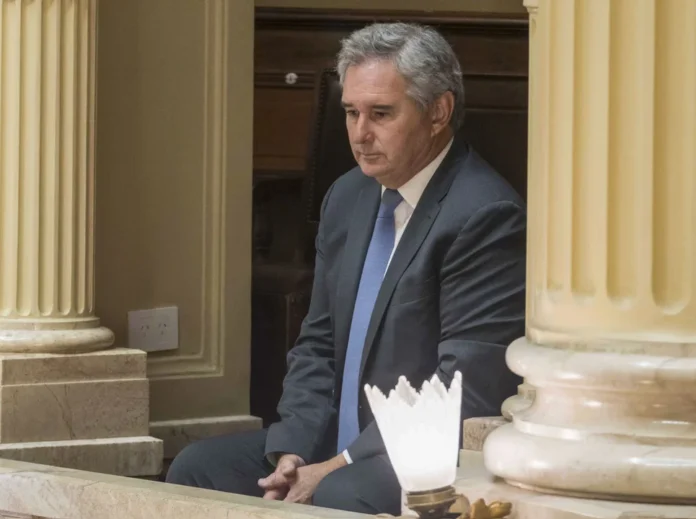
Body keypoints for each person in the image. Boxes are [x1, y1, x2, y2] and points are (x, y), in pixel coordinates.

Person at [166, 22, 526, 515]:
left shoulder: (485, 214)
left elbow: (463, 387)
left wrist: (337, 465)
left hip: (419, 454)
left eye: (381, 114)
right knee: (199, 469)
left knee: (339, 493)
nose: (360, 134)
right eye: (352, 112)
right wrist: (293, 450)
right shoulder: (348, 195)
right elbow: (318, 342)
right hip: (336, 438)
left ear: (438, 112)